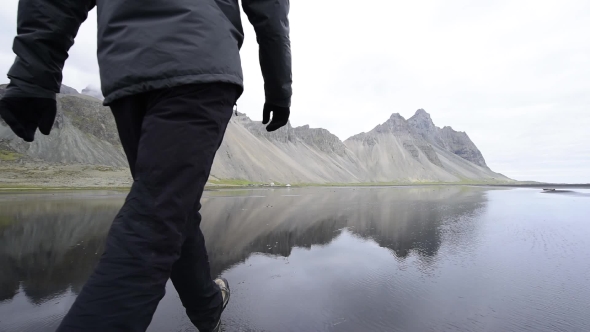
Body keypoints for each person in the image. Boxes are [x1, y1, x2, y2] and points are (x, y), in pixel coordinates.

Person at [0, 0, 292, 330]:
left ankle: (208, 307)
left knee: (168, 207)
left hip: (126, 69)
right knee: (156, 217)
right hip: (199, 58)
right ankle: (205, 307)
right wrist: (279, 87)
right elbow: (270, 10)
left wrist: (33, 69)